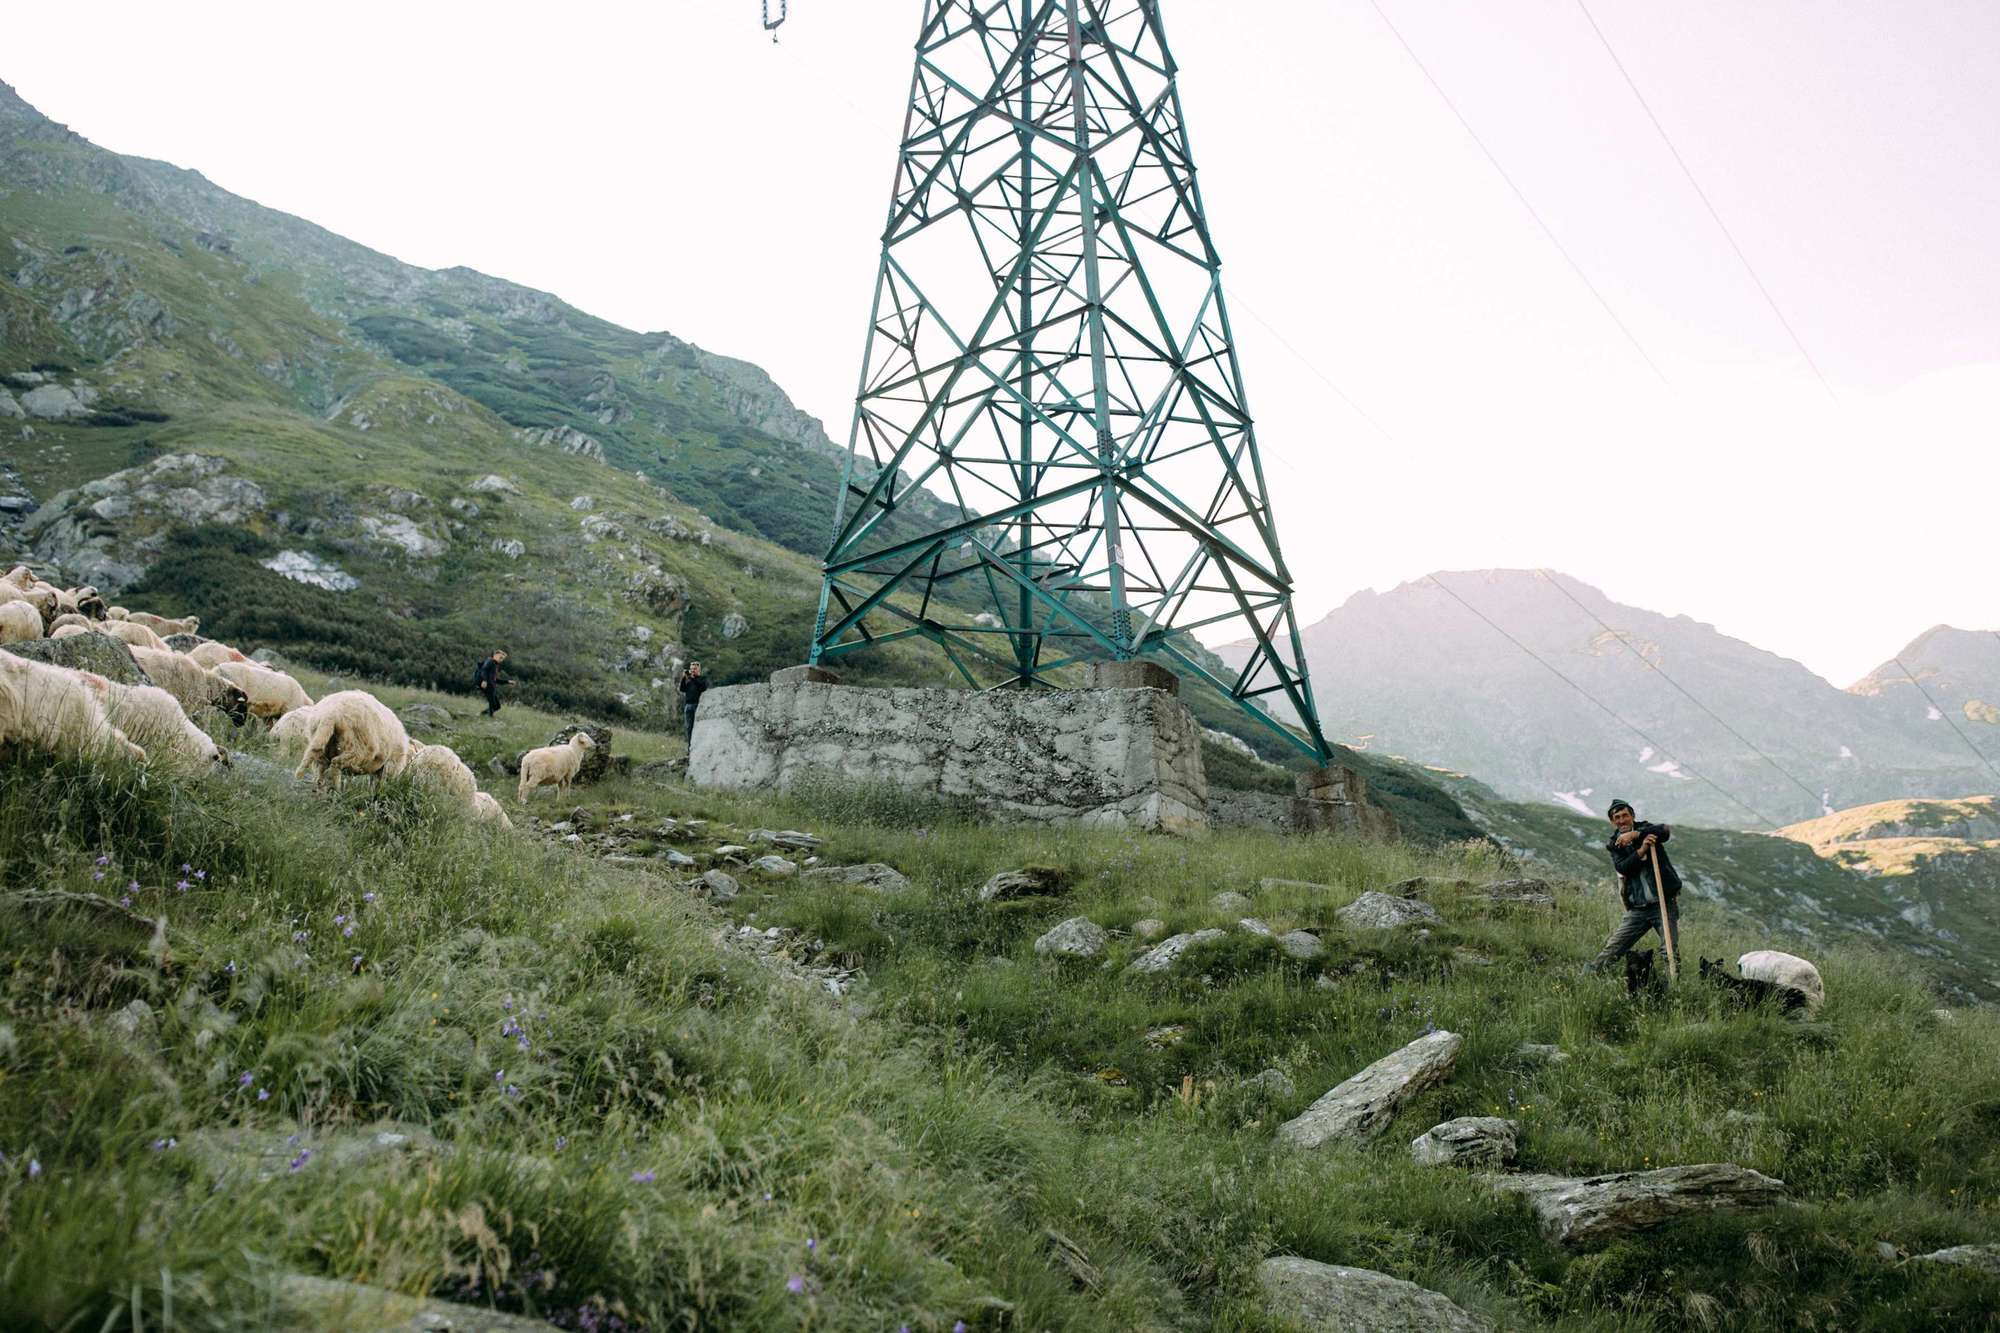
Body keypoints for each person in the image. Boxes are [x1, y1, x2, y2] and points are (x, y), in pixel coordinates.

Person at [1587, 798, 1683, 974]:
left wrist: (1636, 835)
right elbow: (1623, 867)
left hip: (1663, 901)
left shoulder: (1646, 829)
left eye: (1625, 815)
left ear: (1632, 816)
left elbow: (1665, 831)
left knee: (1669, 950)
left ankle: (1674, 984)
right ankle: (1588, 976)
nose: (1622, 820)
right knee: (1614, 947)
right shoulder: (1614, 844)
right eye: (1617, 817)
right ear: (1612, 822)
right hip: (1638, 907)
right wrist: (1642, 850)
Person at [677, 660, 708, 742]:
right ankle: (690, 746)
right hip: (688, 706)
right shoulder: (689, 680)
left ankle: (699, 744)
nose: (692, 671)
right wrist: (684, 678)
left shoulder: (702, 679)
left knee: (699, 726)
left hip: (698, 705)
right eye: (691, 669)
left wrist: (693, 678)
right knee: (689, 727)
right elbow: (682, 689)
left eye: (694, 669)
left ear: (699, 670)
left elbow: (702, 688)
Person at [476, 650, 510, 718]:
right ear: (495, 655)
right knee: (492, 703)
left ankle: (482, 714)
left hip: (491, 686)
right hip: (487, 686)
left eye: (502, 659)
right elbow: (484, 670)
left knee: (497, 706)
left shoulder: (494, 664)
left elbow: (495, 680)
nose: (501, 660)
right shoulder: (490, 661)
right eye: (500, 657)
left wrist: (508, 682)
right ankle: (490, 717)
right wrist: (484, 680)